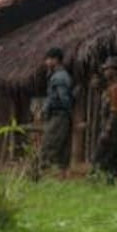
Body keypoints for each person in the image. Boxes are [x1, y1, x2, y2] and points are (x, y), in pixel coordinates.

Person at [92, 56, 117, 184]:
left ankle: (94, 182)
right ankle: (112, 186)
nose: (105, 72)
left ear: (115, 71)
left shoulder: (116, 88)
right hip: (115, 131)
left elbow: (114, 112)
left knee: (99, 159)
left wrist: (107, 131)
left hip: (113, 130)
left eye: (108, 69)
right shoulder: (114, 86)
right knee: (113, 163)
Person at [41, 47, 74, 177]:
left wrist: (65, 111)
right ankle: (61, 176)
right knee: (59, 146)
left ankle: (42, 175)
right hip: (60, 115)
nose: (46, 62)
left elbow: (64, 98)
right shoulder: (57, 76)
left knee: (49, 145)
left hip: (59, 115)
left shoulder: (59, 77)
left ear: (55, 60)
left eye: (48, 59)